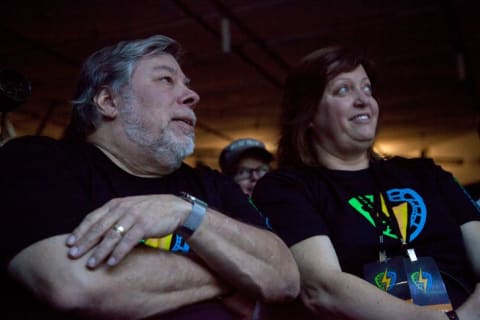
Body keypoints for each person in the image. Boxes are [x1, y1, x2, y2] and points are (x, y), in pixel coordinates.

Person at [0, 35, 300, 319]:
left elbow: (285, 280)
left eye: (187, 84)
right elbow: (73, 284)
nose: (192, 95)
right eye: (166, 79)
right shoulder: (39, 160)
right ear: (109, 101)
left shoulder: (210, 183)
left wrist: (187, 213)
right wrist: (232, 277)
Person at [252, 45, 480, 320]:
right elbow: (323, 288)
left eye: (367, 89)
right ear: (309, 114)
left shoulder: (426, 173)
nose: (363, 100)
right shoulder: (286, 188)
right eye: (343, 90)